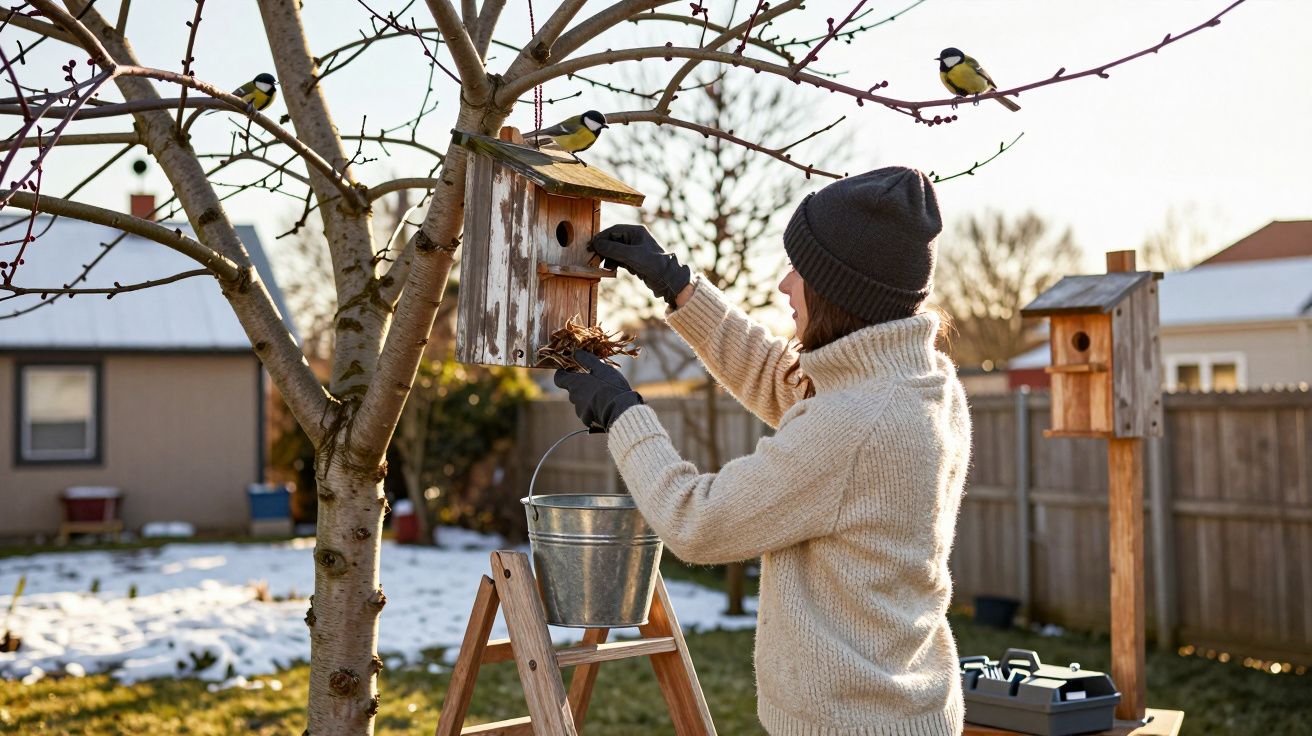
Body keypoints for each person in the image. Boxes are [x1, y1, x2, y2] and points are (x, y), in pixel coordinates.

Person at [554, 166, 971, 735]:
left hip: (850, 723)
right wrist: (679, 286)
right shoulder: (924, 382)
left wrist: (621, 412)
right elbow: (786, 380)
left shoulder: (856, 422)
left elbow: (696, 521)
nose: (783, 284)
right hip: (902, 709)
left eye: (800, 271)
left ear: (837, 291)